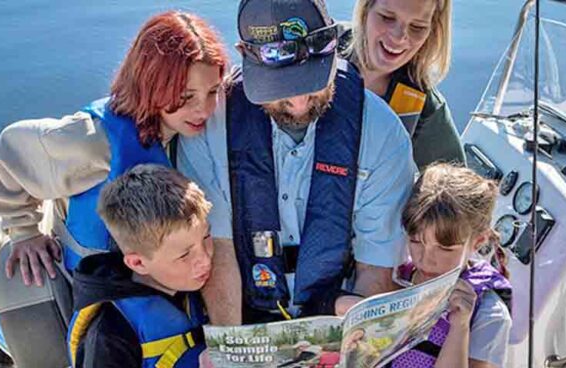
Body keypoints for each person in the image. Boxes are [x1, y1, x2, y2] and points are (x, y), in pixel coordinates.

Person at [178, 0, 416, 324]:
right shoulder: (210, 124)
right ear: (246, 55)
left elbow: (375, 265)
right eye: (283, 90)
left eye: (313, 82)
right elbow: (218, 247)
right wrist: (232, 346)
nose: (301, 104)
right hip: (243, 309)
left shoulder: (382, 133)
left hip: (337, 313)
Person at [0, 11, 228, 285]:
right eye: (185, 96)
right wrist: (24, 231)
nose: (204, 110)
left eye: (212, 92)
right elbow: (9, 150)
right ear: (149, 84)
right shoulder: (91, 141)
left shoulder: (184, 128)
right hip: (94, 288)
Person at [67, 164, 213, 368]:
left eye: (206, 237)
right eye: (185, 254)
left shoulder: (188, 285)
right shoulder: (110, 333)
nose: (205, 259)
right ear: (138, 263)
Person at [390, 163, 512, 368]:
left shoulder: (490, 314)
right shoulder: (393, 274)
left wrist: (460, 326)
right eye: (416, 241)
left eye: (445, 248)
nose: (426, 259)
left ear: (478, 242)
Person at [344, 0, 465, 169]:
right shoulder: (317, 50)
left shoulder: (425, 109)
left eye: (417, 27)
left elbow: (456, 184)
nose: (399, 37)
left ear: (432, 29)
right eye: (387, 17)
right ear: (366, 9)